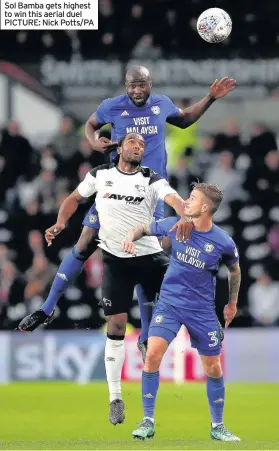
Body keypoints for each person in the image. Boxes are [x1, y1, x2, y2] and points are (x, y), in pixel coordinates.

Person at [17, 66, 236, 356]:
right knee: (83, 244)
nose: (136, 90)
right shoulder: (111, 107)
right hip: (114, 185)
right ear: (126, 85)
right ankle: (47, 308)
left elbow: (185, 120)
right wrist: (94, 141)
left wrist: (210, 97)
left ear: (150, 84)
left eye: (142, 85)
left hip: (150, 192)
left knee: (147, 257)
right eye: (132, 85)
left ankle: (147, 337)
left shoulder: (162, 104)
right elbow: (90, 125)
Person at [19, 133, 187, 424]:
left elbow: (174, 198)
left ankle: (197, 328)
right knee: (116, 325)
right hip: (115, 260)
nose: (138, 146)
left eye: (142, 144)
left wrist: (189, 214)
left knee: (185, 280)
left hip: (148, 257)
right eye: (132, 142)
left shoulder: (151, 177)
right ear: (119, 147)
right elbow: (74, 197)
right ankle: (116, 399)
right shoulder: (101, 174)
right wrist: (60, 222)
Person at [121, 183, 241, 441]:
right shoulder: (176, 225)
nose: (186, 201)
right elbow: (143, 228)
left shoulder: (222, 241)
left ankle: (218, 426)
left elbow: (234, 269)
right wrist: (130, 237)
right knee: (152, 353)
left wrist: (231, 303)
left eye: (193, 198)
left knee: (213, 367)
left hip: (202, 311)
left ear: (206, 207)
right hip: (170, 304)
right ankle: (147, 421)